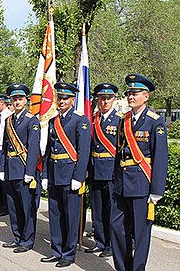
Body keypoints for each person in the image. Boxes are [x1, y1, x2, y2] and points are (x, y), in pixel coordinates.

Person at [110, 74, 168, 271]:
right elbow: (119, 152)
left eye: (135, 93)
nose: (131, 97)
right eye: (129, 93)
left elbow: (160, 157)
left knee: (141, 233)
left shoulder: (155, 122)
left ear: (146, 96)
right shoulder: (123, 120)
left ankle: (137, 268)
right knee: (116, 227)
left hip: (142, 183)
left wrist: (157, 190)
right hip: (121, 183)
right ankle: (123, 267)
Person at [41, 82, 91, 268]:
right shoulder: (54, 121)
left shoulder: (81, 120)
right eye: (59, 98)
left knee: (70, 216)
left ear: (72, 100)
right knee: (55, 215)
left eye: (65, 98)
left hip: (70, 175)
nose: (61, 101)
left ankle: (68, 254)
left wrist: (79, 177)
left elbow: (83, 151)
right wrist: (45, 174)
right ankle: (57, 250)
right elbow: (48, 150)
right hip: (54, 173)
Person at [1, 83, 40, 253]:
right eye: (14, 99)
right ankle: (17, 237)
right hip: (10, 169)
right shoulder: (8, 120)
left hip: (24, 170)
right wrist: (3, 169)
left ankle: (27, 240)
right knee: (14, 207)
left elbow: (33, 148)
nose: (17, 102)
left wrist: (30, 172)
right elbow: (4, 147)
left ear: (26, 100)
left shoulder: (32, 120)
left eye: (20, 99)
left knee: (26, 208)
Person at [85, 83, 122, 257]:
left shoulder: (120, 120)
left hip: (111, 171)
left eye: (108, 98)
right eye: (102, 98)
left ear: (113, 100)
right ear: (97, 100)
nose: (105, 101)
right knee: (97, 209)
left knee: (111, 210)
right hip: (95, 169)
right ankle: (100, 241)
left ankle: (111, 245)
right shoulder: (93, 119)